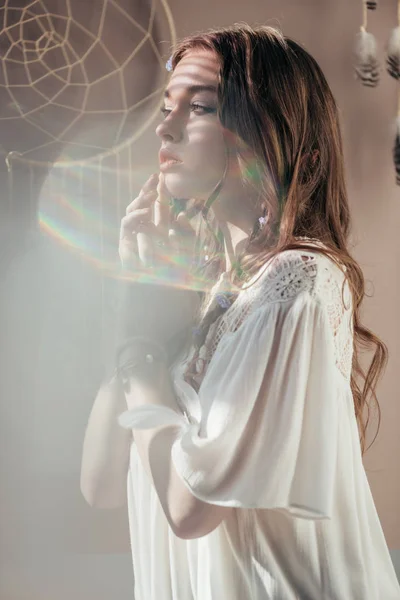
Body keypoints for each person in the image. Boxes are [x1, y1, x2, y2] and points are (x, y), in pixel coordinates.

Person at [80, 24, 400, 600]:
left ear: (270, 131)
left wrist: (143, 344)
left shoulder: (300, 281)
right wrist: (140, 298)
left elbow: (188, 511)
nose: (166, 125)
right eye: (166, 105)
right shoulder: (209, 296)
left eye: (200, 105)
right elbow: (99, 482)